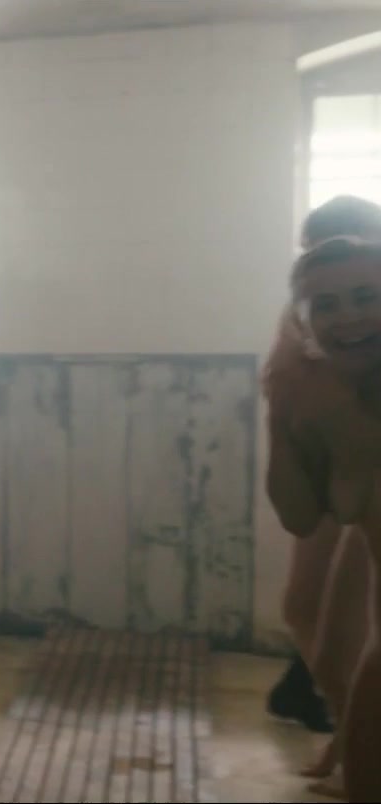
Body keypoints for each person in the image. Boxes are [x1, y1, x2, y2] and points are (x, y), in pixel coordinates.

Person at [264, 196, 381, 799]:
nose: (348, 314)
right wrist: (280, 414)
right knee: (327, 638)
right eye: (328, 302)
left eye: (364, 295)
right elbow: (302, 513)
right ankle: (346, 737)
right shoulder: (308, 372)